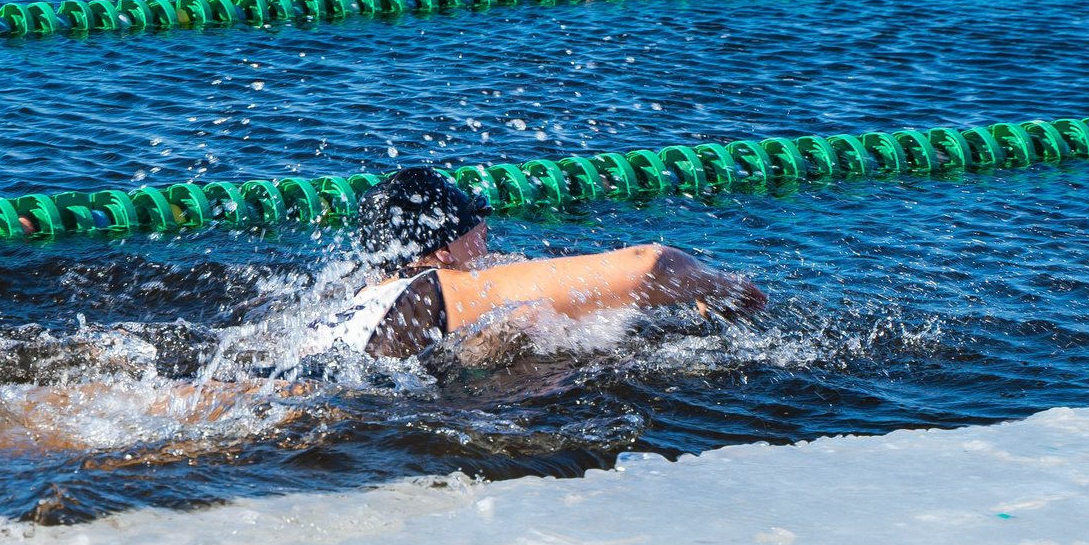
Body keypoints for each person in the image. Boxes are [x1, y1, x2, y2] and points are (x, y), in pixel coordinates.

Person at [296, 168, 763, 363]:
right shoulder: (444, 286)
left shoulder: (367, 296)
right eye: (472, 222)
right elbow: (649, 265)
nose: (485, 227)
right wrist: (718, 285)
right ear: (441, 251)